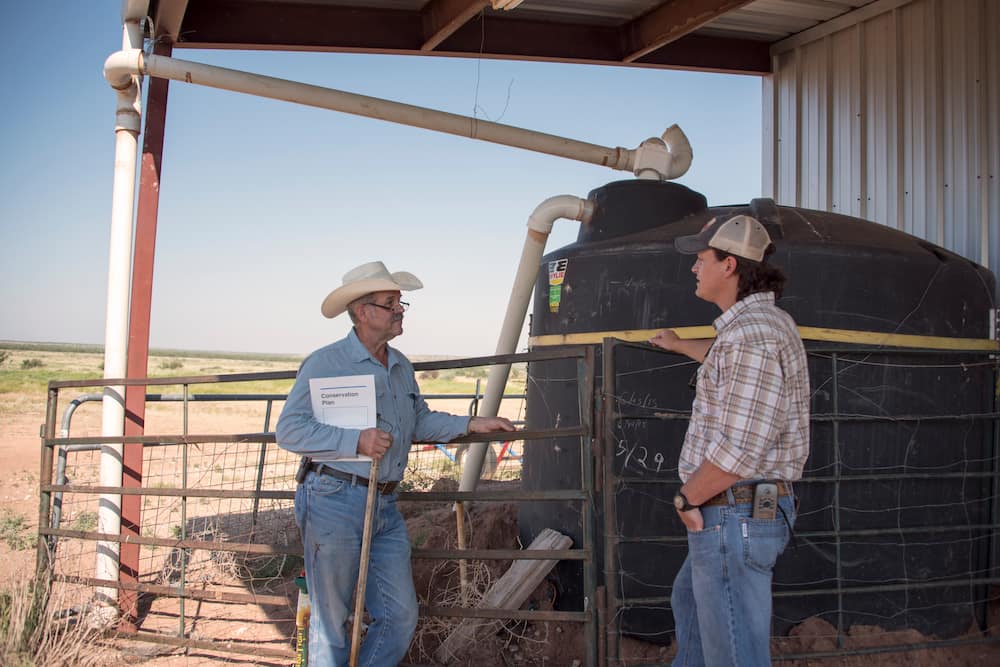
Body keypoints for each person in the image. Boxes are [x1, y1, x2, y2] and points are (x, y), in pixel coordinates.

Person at [276, 260, 515, 666]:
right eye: (391, 303)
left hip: (384, 504)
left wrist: (472, 423)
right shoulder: (325, 363)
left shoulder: (400, 366)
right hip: (334, 498)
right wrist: (354, 440)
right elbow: (290, 431)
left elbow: (418, 419)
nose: (400, 310)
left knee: (400, 615)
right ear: (362, 311)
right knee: (332, 621)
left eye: (401, 303)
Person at [649, 215, 810, 666]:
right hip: (738, 510)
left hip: (732, 510)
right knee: (690, 601)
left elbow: (740, 448)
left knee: (733, 651)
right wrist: (683, 346)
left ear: (730, 265)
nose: (694, 269)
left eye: (702, 260)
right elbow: (732, 365)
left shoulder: (750, 337)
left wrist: (686, 498)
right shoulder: (756, 330)